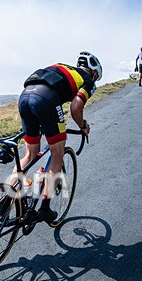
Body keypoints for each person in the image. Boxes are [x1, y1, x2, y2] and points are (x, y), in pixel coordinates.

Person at [14, 52, 99, 222]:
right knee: (57, 155)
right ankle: (45, 209)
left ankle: (8, 197)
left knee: (29, 155)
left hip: (25, 96)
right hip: (46, 99)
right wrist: (83, 126)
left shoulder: (61, 67)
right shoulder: (88, 81)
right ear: (94, 73)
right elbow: (76, 107)